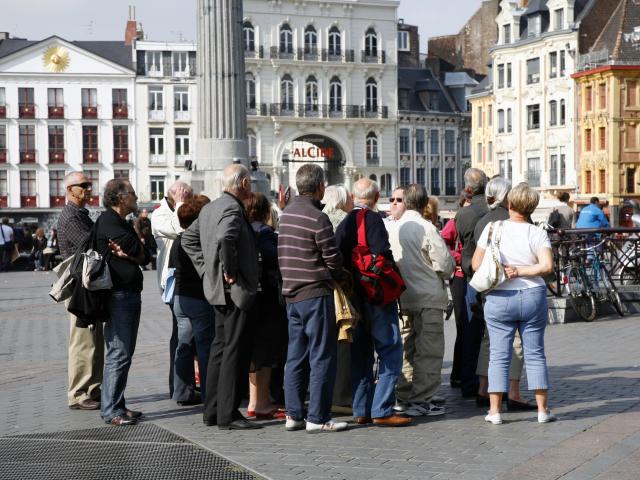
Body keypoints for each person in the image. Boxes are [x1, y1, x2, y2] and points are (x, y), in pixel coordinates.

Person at [182, 164, 261, 431]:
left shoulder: (209, 207)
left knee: (218, 349)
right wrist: (228, 270)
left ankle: (212, 410)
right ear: (243, 183)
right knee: (232, 351)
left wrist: (207, 270)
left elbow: (188, 240)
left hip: (217, 291)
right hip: (233, 291)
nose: (251, 186)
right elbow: (226, 237)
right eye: (249, 181)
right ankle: (228, 414)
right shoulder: (230, 208)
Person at [472, 182, 555, 425]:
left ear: (509, 203)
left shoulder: (493, 228)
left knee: (498, 355)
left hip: (499, 297)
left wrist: (505, 271)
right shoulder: (537, 232)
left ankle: (495, 412)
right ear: (532, 207)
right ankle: (542, 410)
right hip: (532, 295)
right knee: (536, 353)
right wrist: (521, 271)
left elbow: (477, 265)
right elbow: (547, 267)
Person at [335, 178, 412, 427]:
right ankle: (382, 408)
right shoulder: (373, 219)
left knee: (361, 354)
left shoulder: (345, 223)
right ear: (377, 195)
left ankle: (361, 408)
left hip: (353, 297)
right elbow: (382, 254)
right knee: (390, 350)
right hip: (376, 297)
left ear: (352, 197)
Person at [278, 163, 348, 433]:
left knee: (295, 356)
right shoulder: (317, 217)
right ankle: (317, 417)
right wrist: (338, 273)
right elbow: (332, 257)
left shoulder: (287, 214)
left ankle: (293, 414)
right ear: (320, 187)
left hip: (292, 293)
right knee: (321, 355)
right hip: (315, 292)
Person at [388, 184, 455, 417]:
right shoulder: (427, 227)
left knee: (407, 349)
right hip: (428, 296)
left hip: (403, 297)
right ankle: (422, 400)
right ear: (425, 203)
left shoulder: (394, 228)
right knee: (429, 351)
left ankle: (403, 394)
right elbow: (445, 264)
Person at [96, 179, 150, 425]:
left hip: (129, 293)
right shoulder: (108, 221)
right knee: (118, 352)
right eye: (132, 193)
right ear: (119, 198)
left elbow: (145, 254)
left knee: (124, 352)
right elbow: (135, 248)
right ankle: (111, 410)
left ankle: (118, 403)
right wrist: (133, 250)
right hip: (119, 295)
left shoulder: (123, 222)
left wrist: (133, 252)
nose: (136, 196)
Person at [57, 172, 103, 411]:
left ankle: (93, 389)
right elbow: (90, 243)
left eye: (89, 183)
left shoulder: (81, 214)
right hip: (78, 287)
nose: (89, 188)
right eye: (83, 185)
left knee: (94, 339)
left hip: (87, 286)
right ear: (70, 189)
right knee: (82, 341)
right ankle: (78, 393)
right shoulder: (71, 217)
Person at [244, 192, 287, 420]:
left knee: (255, 354)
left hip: (251, 298)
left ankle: (254, 401)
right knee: (267, 354)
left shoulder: (245, 231)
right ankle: (262, 402)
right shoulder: (266, 235)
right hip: (269, 299)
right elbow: (277, 262)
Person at [151, 181, 195, 399]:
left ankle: (184, 386)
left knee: (186, 333)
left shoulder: (176, 209)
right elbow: (180, 228)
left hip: (187, 279)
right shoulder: (159, 214)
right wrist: (180, 205)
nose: (189, 202)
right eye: (186, 197)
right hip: (172, 282)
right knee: (181, 334)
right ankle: (179, 388)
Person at [170, 195, 215, 406]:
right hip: (198, 298)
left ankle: (182, 392)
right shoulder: (196, 241)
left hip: (180, 298)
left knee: (184, 346)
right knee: (205, 346)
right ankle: (209, 393)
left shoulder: (178, 241)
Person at [454, 168, 489, 398]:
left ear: (467, 188)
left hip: (470, 276)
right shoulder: (492, 211)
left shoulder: (463, 214)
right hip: (494, 274)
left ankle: (468, 381)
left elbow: (462, 242)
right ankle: (488, 381)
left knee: (469, 330)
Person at [321, 184, 354, 410]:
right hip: (342, 288)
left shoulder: (317, 217)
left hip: (318, 287)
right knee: (344, 339)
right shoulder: (347, 220)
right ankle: (342, 395)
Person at [441, 193, 470, 388]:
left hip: (473, 275)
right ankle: (458, 373)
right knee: (462, 325)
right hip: (459, 276)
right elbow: (443, 242)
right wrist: (456, 257)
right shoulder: (455, 221)